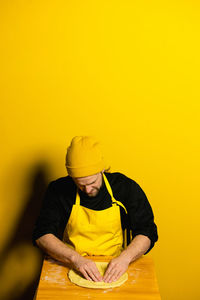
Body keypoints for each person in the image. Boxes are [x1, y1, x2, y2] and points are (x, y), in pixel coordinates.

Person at [33, 136, 158, 283]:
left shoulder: (125, 187)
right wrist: (75, 259)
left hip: (115, 263)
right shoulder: (58, 189)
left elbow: (147, 230)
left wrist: (125, 258)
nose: (87, 190)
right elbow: (42, 234)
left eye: (92, 182)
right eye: (80, 184)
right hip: (70, 263)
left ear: (102, 169)